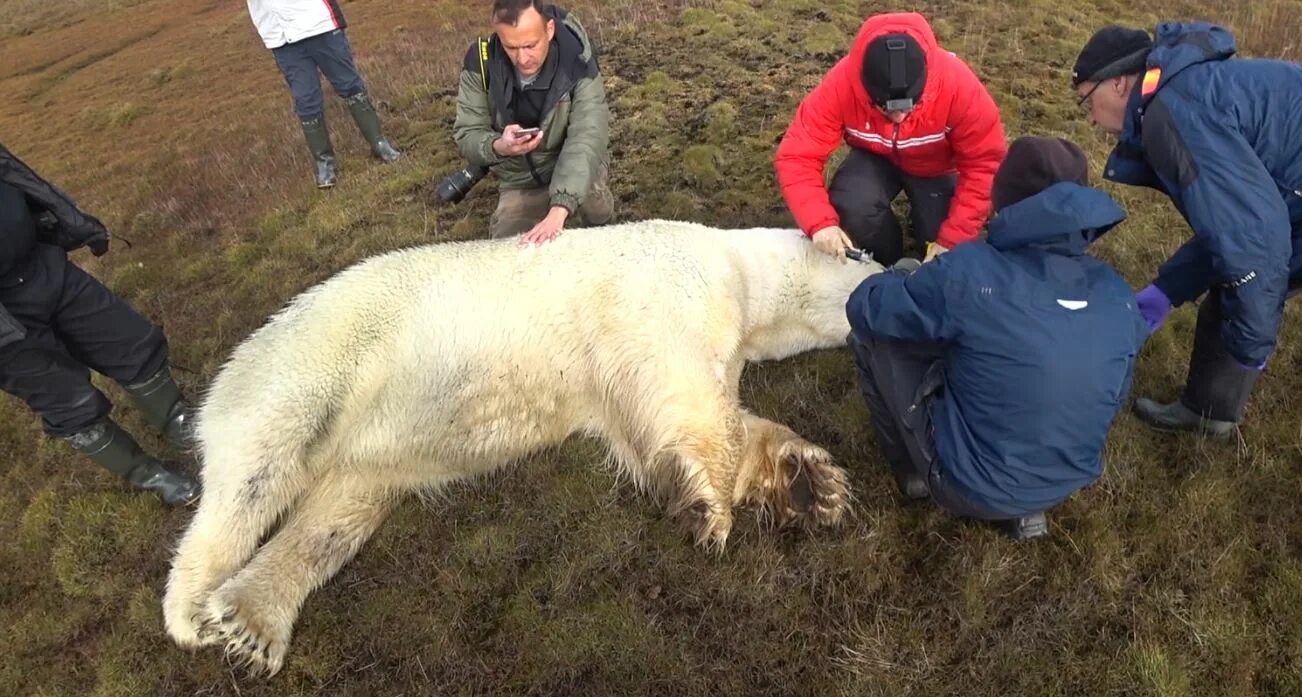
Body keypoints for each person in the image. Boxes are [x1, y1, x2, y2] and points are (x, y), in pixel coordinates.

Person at [846, 136, 1147, 539]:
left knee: (869, 337)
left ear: (1004, 197)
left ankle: (915, 474)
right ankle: (1029, 509)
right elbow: (1114, 390)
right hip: (1067, 478)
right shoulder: (1117, 292)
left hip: (968, 484)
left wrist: (902, 278)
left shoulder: (970, 274)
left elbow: (866, 308)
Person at [1073, 22, 1302, 440]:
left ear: (1120, 84)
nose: (1088, 117)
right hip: (1292, 198)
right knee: (1233, 280)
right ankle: (1209, 412)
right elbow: (1229, 225)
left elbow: (1253, 242)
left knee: (1241, 283)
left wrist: (1252, 344)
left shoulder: (1174, 115)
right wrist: (1169, 288)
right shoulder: (1177, 97)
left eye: (1086, 100)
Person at [0, 144, 199, 506]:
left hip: (40, 266)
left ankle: (178, 421)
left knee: (127, 340)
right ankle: (149, 475)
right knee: (66, 400)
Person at [774, 12, 1007, 266]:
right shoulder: (842, 84)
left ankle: (926, 236)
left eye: (907, 108)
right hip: (875, 157)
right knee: (853, 208)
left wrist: (952, 240)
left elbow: (985, 165)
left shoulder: (959, 88)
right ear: (865, 87)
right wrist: (819, 223)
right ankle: (883, 263)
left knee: (947, 246)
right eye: (885, 108)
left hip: (936, 167)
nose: (897, 118)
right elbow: (798, 156)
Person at [453, 0, 612, 244]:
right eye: (511, 47)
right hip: (519, 180)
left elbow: (587, 134)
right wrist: (498, 146)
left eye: (530, 45)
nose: (523, 58)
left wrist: (560, 207)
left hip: (570, 160)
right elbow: (467, 133)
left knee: (597, 216)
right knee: (510, 250)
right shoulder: (480, 63)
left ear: (549, 30)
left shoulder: (577, 58)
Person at [247, 0, 401, 189]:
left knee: (349, 85)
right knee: (305, 99)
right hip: (280, 37)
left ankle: (379, 144)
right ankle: (324, 163)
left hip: (319, 23)